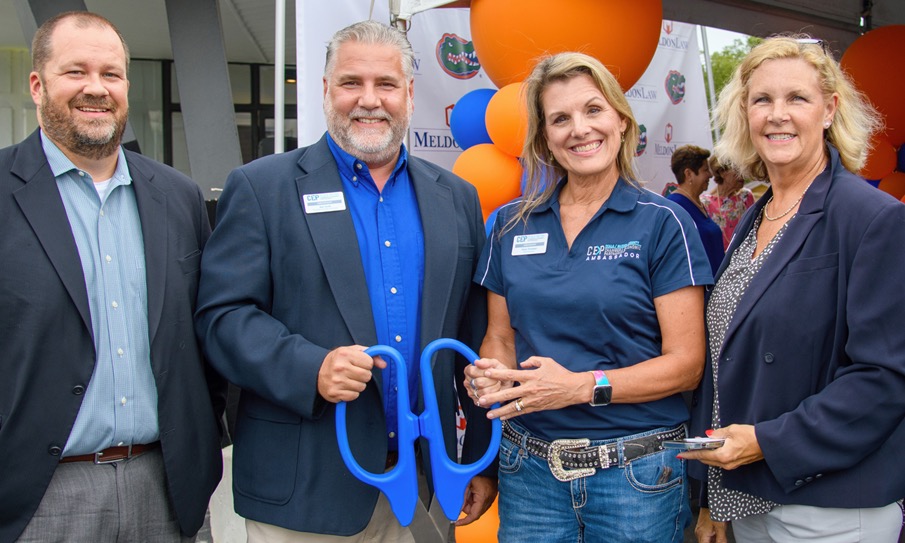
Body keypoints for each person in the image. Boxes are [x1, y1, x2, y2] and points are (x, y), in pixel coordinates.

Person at [194, 20, 496, 543]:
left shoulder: (456, 196)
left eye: (385, 84)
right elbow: (222, 319)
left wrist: (476, 459)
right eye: (351, 83)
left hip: (426, 481)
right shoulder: (262, 188)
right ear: (326, 90)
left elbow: (474, 340)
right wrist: (311, 367)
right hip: (306, 487)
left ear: (409, 93)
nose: (368, 100)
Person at [465, 52, 713, 543]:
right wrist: (492, 376)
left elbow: (687, 364)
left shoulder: (663, 222)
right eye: (560, 118)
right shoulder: (513, 225)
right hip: (529, 470)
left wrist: (581, 386)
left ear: (621, 122)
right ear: (544, 138)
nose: (579, 129)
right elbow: (499, 336)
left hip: (636, 474)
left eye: (593, 110)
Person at [0, 11, 225, 543]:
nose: (96, 89)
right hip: (37, 497)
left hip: (167, 489)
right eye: (75, 72)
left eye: (112, 74)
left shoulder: (179, 197)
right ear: (37, 85)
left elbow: (207, 330)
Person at [681, 36, 905, 543]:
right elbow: (728, 361)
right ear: (745, 114)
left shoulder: (872, 219)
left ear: (829, 110)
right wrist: (713, 494)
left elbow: (885, 378)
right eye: (762, 100)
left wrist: (764, 442)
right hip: (752, 497)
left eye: (797, 99)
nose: (777, 115)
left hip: (831, 506)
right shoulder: (754, 218)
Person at [668, 144, 725, 274]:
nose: (710, 175)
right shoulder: (674, 207)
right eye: (705, 170)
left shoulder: (699, 203)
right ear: (688, 174)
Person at [701, 155, 755, 249]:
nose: (742, 174)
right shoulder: (705, 203)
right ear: (722, 172)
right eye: (737, 170)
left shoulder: (746, 196)